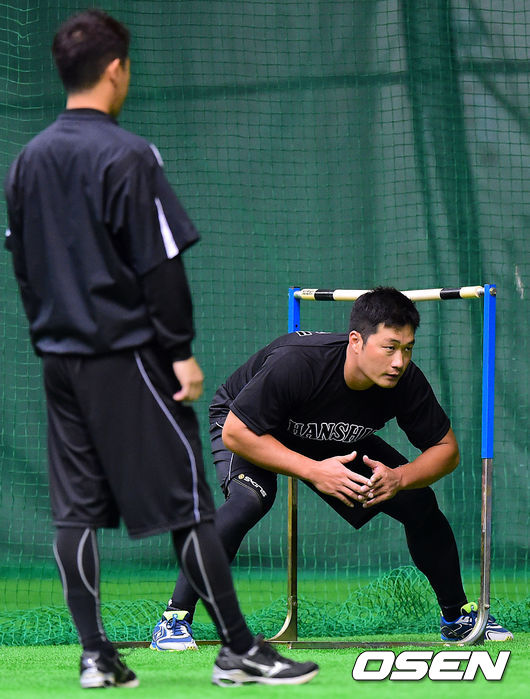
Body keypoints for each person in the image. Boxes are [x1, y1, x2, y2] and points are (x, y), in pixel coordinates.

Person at [4, 9, 319, 689]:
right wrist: (179, 351)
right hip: (130, 358)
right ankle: (239, 650)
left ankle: (96, 656)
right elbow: (161, 266)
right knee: (190, 503)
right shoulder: (128, 154)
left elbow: (24, 265)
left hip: (59, 361)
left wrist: (52, 335)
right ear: (116, 69)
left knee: (74, 511)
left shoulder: (27, 160)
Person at [151, 286, 513, 649]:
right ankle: (174, 619)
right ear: (356, 341)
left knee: (419, 501)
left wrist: (400, 478)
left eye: (408, 348)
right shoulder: (298, 362)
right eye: (389, 348)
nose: (399, 361)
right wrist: (314, 470)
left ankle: (456, 618)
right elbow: (236, 433)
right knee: (249, 499)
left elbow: (446, 450)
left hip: (329, 434)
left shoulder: (405, 381)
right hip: (251, 424)